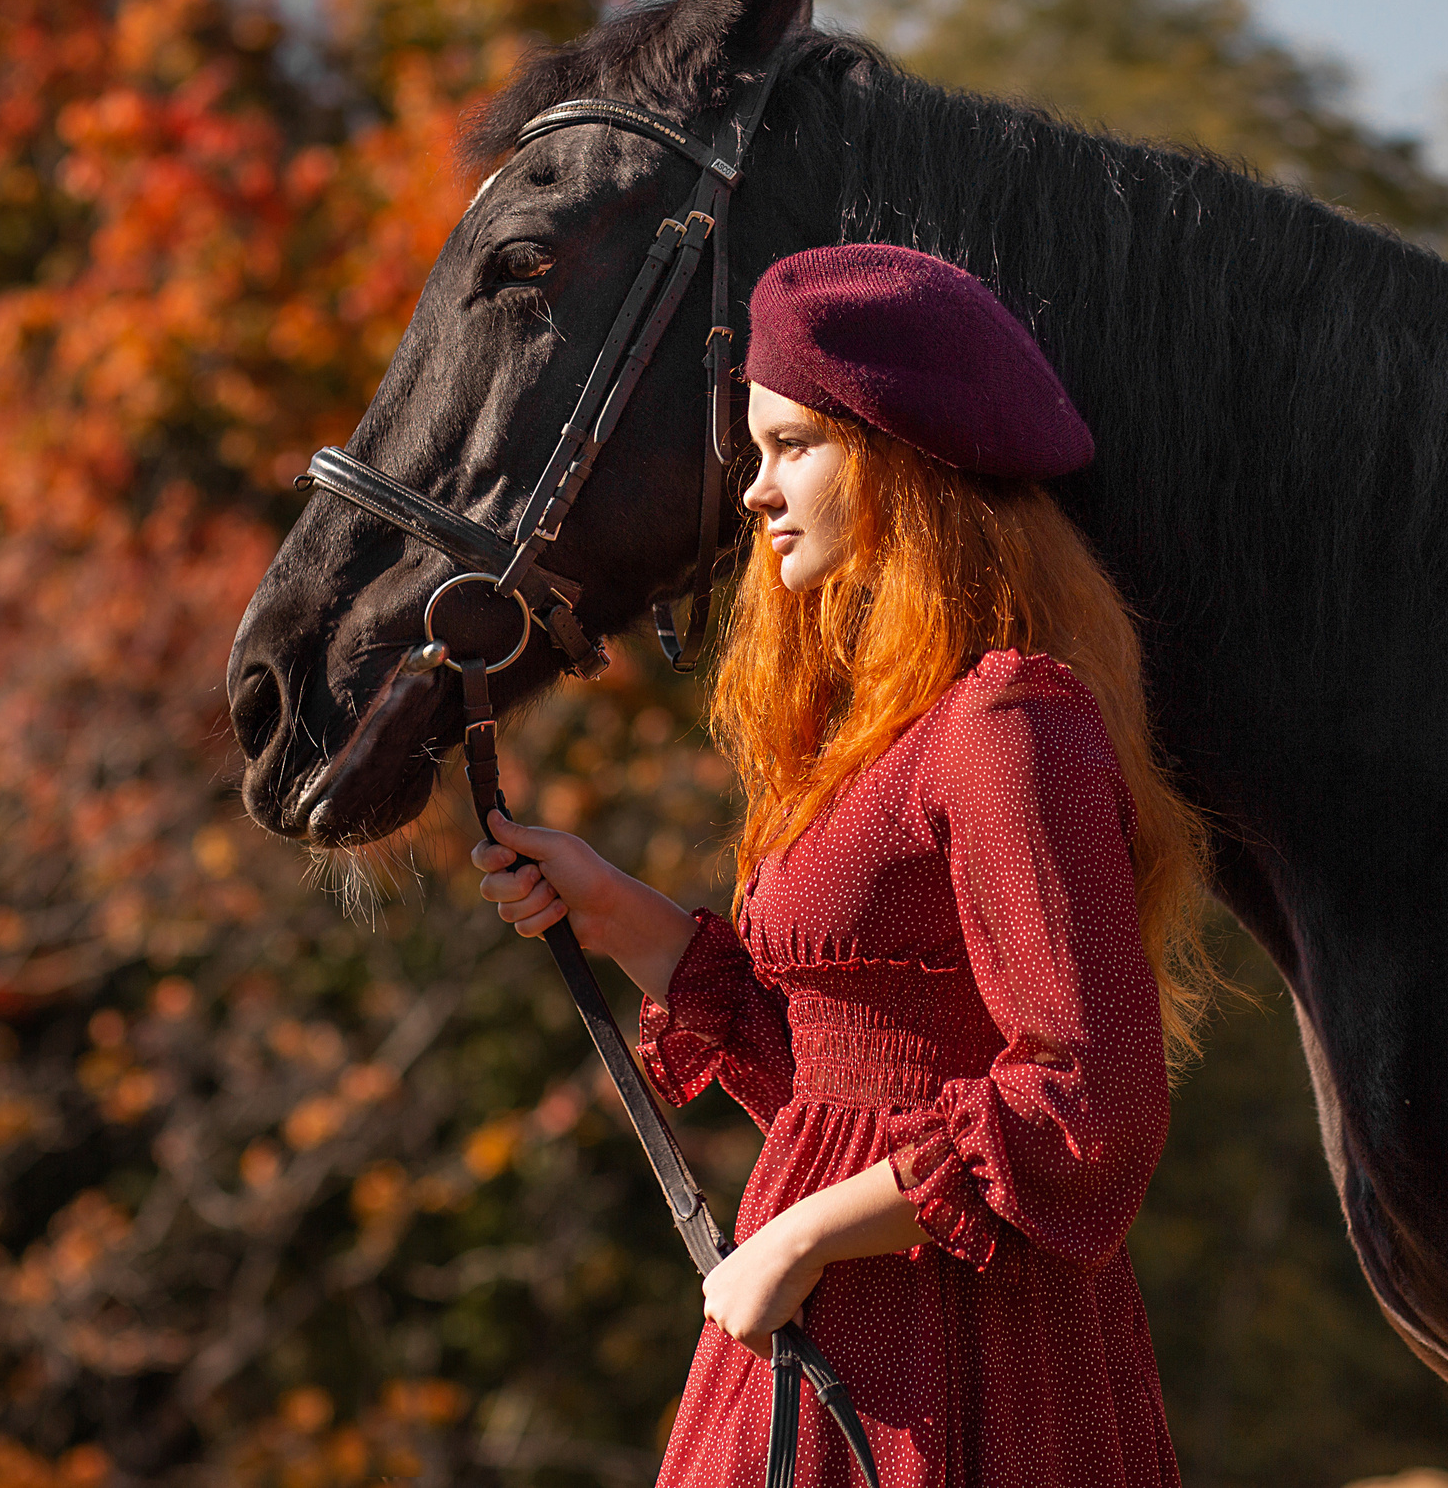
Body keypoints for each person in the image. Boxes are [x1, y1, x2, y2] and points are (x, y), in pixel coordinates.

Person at [474, 242, 1213, 1487]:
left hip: (970, 1356)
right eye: (753, 451)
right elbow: (836, 1073)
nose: (755, 493)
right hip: (834, 1334)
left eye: (794, 447)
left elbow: (1093, 1108)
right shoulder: (885, 726)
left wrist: (804, 1236)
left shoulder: (1008, 723)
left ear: (908, 463)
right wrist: (614, 911)